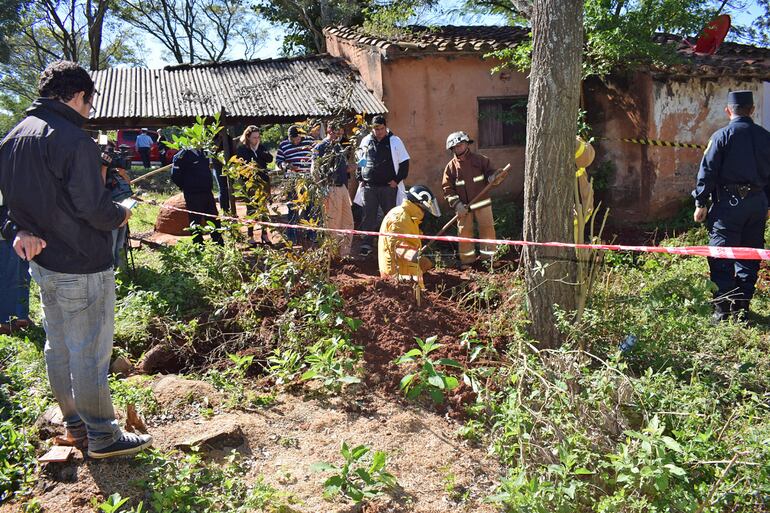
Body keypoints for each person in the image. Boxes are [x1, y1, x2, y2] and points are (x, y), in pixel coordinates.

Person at [0, 60, 152, 458]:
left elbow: (6, 206)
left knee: (59, 346)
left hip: (44, 263)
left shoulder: (12, 138)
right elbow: (95, 210)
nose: (89, 111)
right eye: (89, 102)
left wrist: (15, 232)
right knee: (90, 352)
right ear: (78, 95)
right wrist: (122, 211)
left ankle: (75, 423)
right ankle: (103, 435)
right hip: (82, 263)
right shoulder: (73, 140)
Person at [693, 90, 770, 323]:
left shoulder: (721, 136)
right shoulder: (766, 137)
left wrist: (700, 202)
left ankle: (723, 311)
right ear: (752, 110)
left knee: (721, 255)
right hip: (757, 204)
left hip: (729, 205)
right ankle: (742, 310)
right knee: (749, 255)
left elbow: (707, 172)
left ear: (728, 111)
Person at [441, 131, 506, 269]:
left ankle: (489, 259)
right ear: (452, 149)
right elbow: (448, 189)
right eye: (456, 146)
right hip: (463, 208)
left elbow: (492, 172)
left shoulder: (480, 160)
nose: (459, 148)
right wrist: (457, 204)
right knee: (464, 233)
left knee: (487, 230)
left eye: (462, 144)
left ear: (467, 144)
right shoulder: (450, 168)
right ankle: (467, 261)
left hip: (482, 203)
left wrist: (493, 177)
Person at [356, 115, 410, 257]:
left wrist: (396, 181)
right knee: (369, 216)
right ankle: (367, 244)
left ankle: (394, 244)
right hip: (369, 186)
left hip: (388, 187)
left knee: (391, 215)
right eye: (375, 129)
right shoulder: (366, 141)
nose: (378, 132)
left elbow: (404, 163)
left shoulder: (395, 141)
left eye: (380, 128)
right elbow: (360, 161)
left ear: (385, 127)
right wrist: (360, 177)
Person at [378, 185, 440, 288]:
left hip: (406, 268)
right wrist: (417, 257)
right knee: (415, 300)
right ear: (420, 204)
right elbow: (396, 247)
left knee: (420, 299)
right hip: (399, 274)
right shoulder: (400, 217)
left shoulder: (410, 217)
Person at [313, 121, 355, 258]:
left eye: (342, 134)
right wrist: (322, 188)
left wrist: (355, 166)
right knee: (333, 223)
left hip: (343, 187)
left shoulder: (339, 147)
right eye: (338, 133)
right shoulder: (321, 147)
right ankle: (331, 255)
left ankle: (344, 254)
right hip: (330, 188)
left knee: (348, 222)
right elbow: (314, 170)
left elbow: (343, 169)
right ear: (330, 130)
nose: (340, 136)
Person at [171, 145, 225, 246]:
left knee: (213, 218)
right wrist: (187, 186)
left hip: (207, 192)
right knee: (195, 220)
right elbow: (175, 175)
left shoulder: (204, 152)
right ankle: (198, 246)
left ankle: (219, 244)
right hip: (193, 194)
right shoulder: (182, 156)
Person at [275, 125, 315, 243]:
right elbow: (278, 161)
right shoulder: (284, 145)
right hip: (292, 180)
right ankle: (292, 236)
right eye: (293, 139)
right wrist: (286, 166)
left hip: (308, 179)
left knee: (310, 207)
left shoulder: (309, 141)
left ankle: (311, 233)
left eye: (297, 138)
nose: (296, 141)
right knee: (292, 207)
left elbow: (316, 155)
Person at [236, 125, 273, 244]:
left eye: (258, 137)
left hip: (263, 183)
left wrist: (258, 150)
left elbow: (269, 159)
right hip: (250, 184)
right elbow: (243, 164)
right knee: (251, 209)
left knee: (264, 209)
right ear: (247, 137)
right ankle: (250, 236)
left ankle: (264, 234)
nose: (256, 139)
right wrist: (254, 153)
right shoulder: (242, 149)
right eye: (254, 137)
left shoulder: (261, 147)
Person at [0, 194, 31, 335]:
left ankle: (20, 315)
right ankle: (7, 321)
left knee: (21, 270)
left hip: (16, 216)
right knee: (8, 271)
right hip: (6, 220)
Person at [101, 140, 133, 268]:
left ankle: (121, 270)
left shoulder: (114, 168)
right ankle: (111, 271)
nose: (109, 155)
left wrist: (123, 173)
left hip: (121, 206)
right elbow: (99, 188)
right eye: (106, 151)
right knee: (112, 243)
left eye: (111, 151)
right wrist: (103, 167)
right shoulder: (96, 166)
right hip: (107, 209)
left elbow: (128, 186)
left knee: (121, 241)